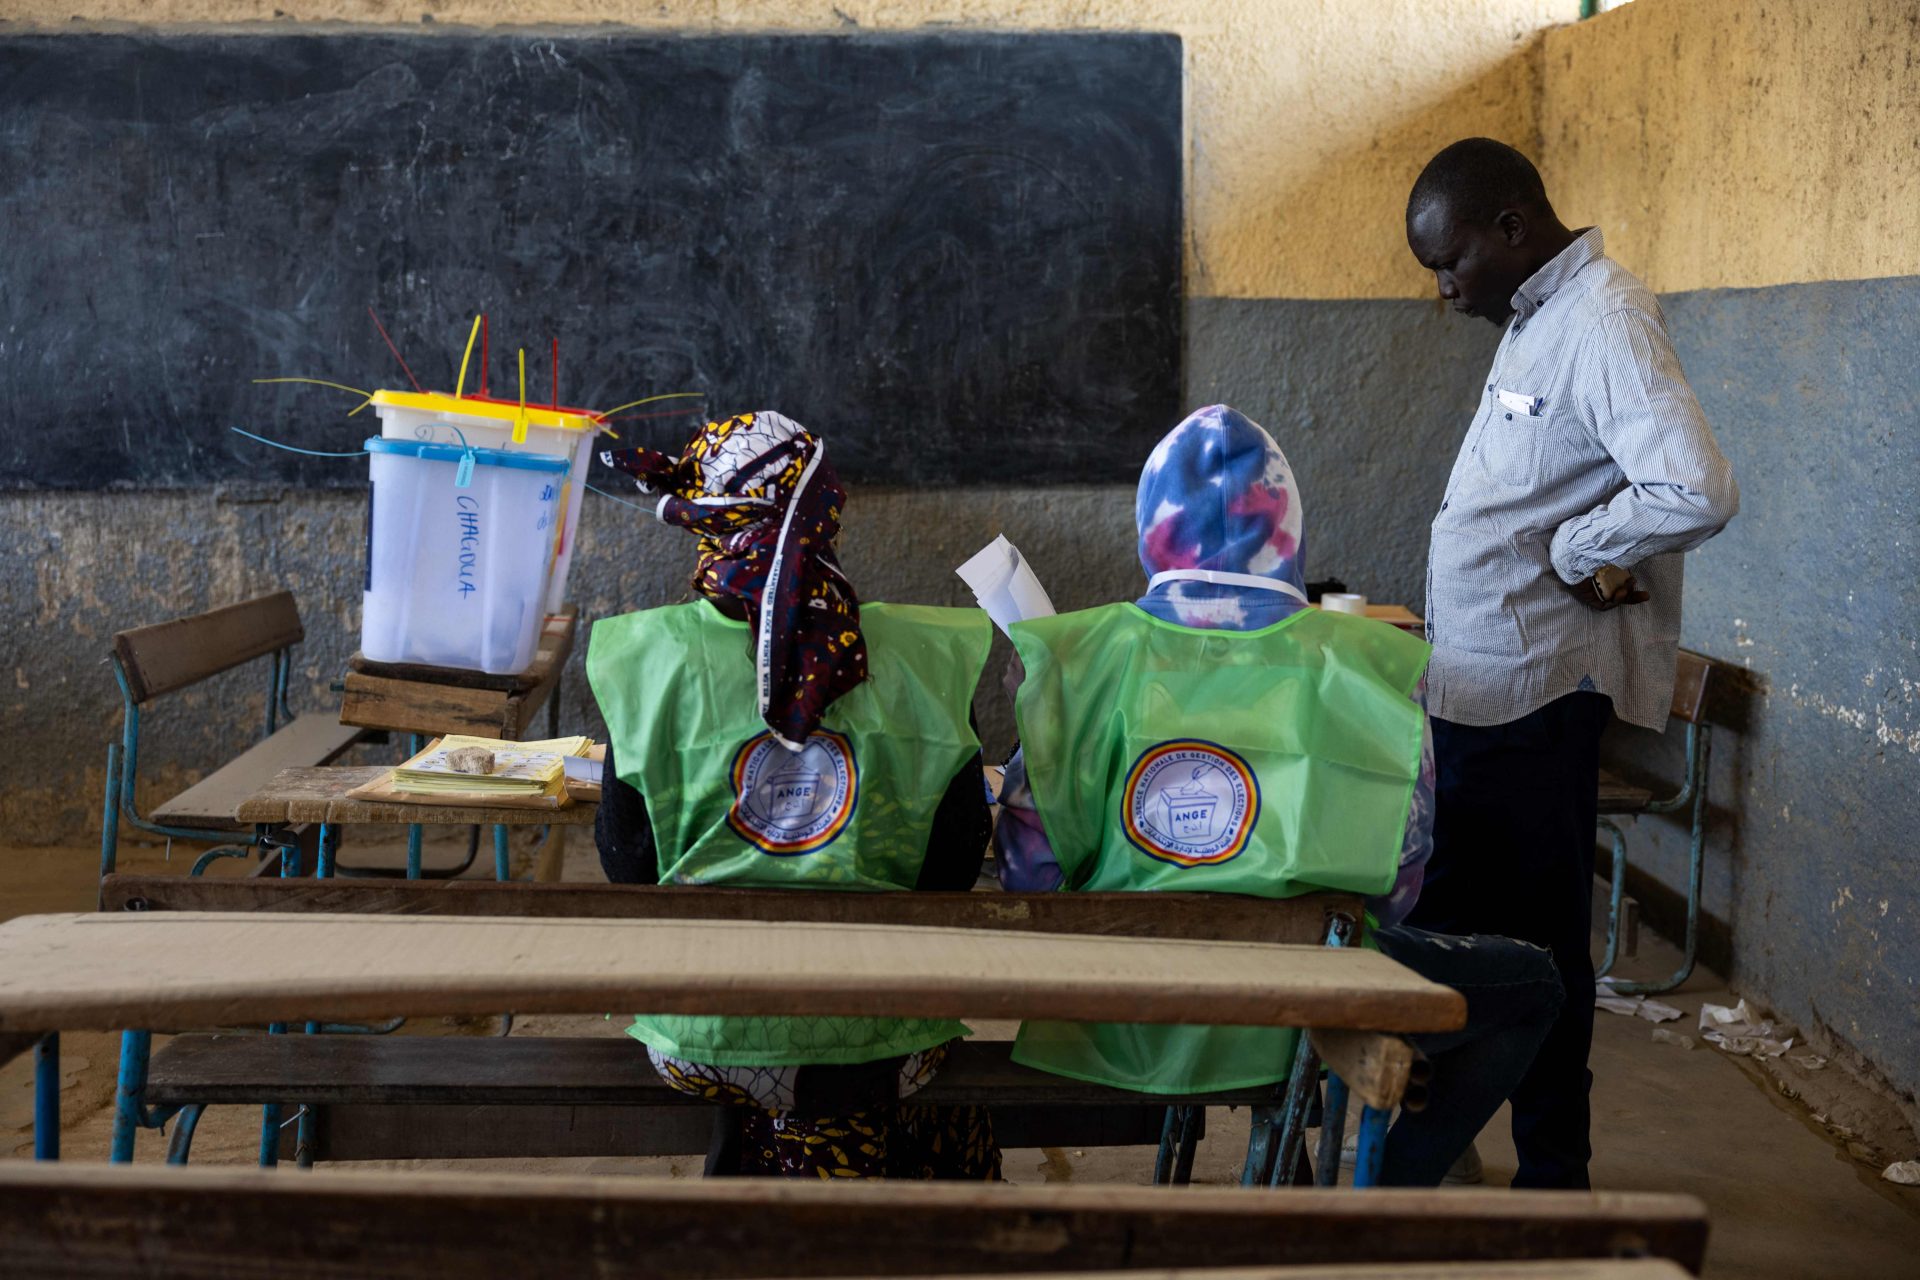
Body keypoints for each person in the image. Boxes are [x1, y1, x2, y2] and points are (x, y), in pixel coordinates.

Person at [996, 403, 1563, 1187]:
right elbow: (1397, 889)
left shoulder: (1078, 660)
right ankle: (1389, 1198)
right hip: (1305, 1018)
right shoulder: (1372, 669)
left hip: (1120, 1018)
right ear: (1291, 529)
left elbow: (1033, 882)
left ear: (1148, 529)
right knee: (1534, 983)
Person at [1404, 138, 1738, 1189]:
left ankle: (1551, 1175)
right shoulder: (1536, 320)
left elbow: (1696, 487)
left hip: (1532, 699)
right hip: (1482, 690)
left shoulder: (1603, 317)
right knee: (1456, 928)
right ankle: (1430, 1132)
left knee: (1537, 944)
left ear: (1511, 226)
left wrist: (1575, 548)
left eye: (1451, 262)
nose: (1446, 291)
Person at [586, 409, 1001, 1180]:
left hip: (703, 1042)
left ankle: (760, 1180)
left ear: (703, 520)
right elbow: (951, 867)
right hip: (887, 1043)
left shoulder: (645, 659)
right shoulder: (929, 658)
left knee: (757, 1056)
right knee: (916, 1079)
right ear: (827, 510)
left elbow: (629, 870)